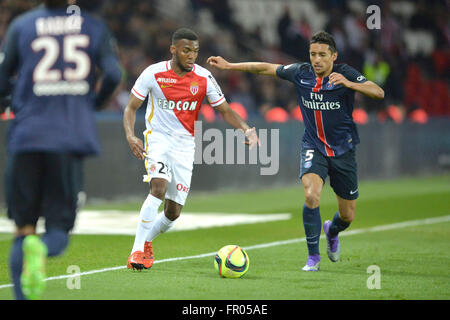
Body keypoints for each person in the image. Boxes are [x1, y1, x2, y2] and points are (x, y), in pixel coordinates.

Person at [207, 31, 384, 271]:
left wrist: (350, 83)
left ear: (334, 56)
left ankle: (332, 231)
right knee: (311, 195)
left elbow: (378, 92)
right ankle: (313, 258)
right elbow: (266, 68)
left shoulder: (346, 73)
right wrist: (229, 66)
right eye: (313, 54)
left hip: (343, 150)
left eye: (322, 55)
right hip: (313, 146)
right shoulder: (301, 73)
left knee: (347, 216)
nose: (317, 60)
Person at [0, 0, 122, 299]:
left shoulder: (23, 25)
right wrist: (90, 104)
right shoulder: (92, 26)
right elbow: (114, 74)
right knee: (57, 232)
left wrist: (15, 103)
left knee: (23, 229)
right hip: (67, 138)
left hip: (26, 136)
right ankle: (40, 249)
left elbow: (2, 78)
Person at [123, 28, 260, 270]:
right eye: (186, 50)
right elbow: (131, 107)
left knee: (173, 213)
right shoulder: (153, 74)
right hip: (158, 140)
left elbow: (225, 110)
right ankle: (136, 252)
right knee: (158, 188)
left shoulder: (204, 78)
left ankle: (147, 242)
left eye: (195, 51)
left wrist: (246, 129)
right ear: (173, 49)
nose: (191, 56)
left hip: (185, 146)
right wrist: (130, 135)